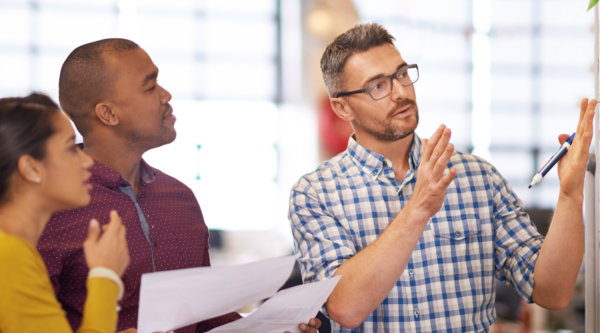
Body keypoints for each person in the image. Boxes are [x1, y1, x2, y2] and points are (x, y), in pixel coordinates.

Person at [288, 23, 596, 332]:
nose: (400, 93)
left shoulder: (478, 177)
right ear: (342, 108)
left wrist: (570, 195)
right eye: (378, 86)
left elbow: (552, 292)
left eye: (402, 74)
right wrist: (418, 209)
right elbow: (345, 308)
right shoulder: (314, 193)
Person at [37, 39, 321, 333]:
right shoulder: (51, 206)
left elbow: (205, 315)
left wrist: (270, 328)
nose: (166, 95)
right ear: (108, 113)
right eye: (149, 87)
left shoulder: (179, 197)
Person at [0, 94, 130, 333]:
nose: (87, 162)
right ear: (31, 167)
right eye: (71, 148)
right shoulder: (9, 255)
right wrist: (106, 274)